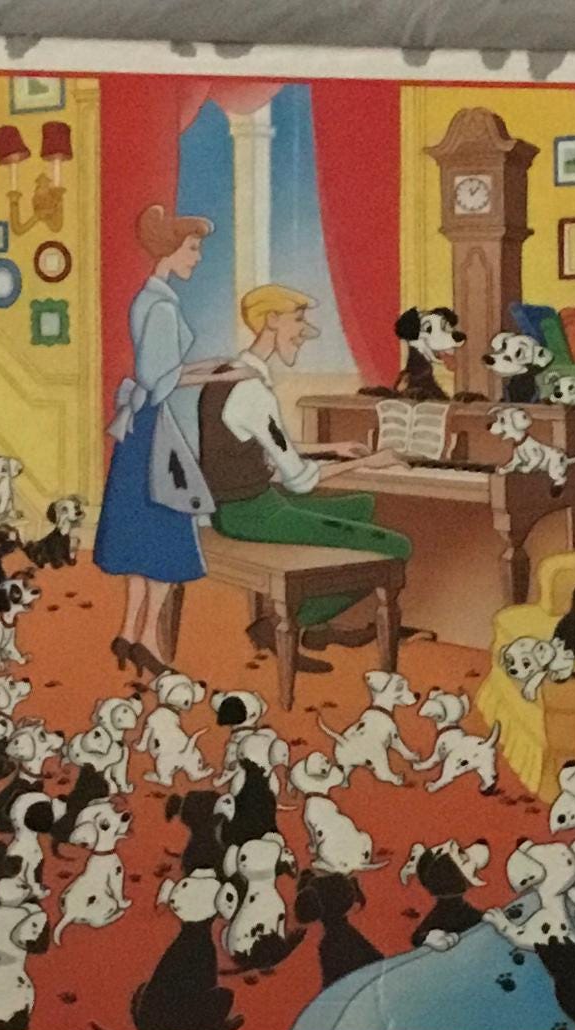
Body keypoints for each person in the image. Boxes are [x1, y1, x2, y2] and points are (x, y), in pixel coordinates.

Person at [199, 284, 410, 653]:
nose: (304, 332)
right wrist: (368, 462)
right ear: (271, 320)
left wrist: (333, 448)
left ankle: (318, 629)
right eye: (298, 320)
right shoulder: (252, 390)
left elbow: (265, 444)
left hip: (234, 506)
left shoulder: (230, 373)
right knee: (397, 545)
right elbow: (299, 480)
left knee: (362, 505)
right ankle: (288, 622)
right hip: (251, 514)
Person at [96, 206, 246, 678]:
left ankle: (127, 631)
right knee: (166, 530)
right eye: (193, 248)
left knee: (140, 530)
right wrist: (218, 375)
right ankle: (146, 639)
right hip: (151, 428)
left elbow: (161, 370)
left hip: (139, 428)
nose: (197, 258)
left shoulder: (148, 297)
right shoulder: (161, 306)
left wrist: (212, 367)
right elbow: (159, 379)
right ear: (171, 249)